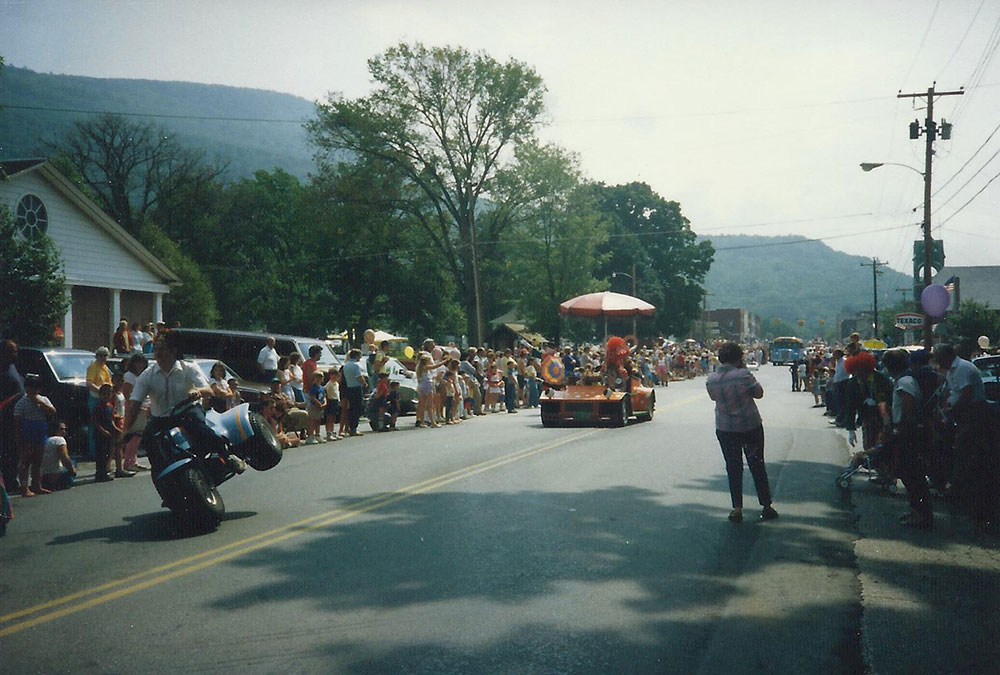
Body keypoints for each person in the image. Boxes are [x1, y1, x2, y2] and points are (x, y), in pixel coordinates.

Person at [122, 331, 245, 475]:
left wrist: (198, 391)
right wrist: (125, 430)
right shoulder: (147, 375)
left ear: (173, 350)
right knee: (150, 440)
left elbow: (209, 390)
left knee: (199, 428)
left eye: (162, 349)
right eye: (155, 349)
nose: (157, 353)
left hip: (187, 411)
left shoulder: (189, 368)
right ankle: (160, 476)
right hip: (161, 418)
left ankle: (228, 455)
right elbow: (134, 404)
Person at [705, 342, 778, 524]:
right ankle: (766, 506)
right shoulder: (744, 375)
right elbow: (759, 393)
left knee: (733, 466)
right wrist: (743, 369)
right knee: (757, 464)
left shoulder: (711, 379)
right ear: (739, 358)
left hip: (725, 428)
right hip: (750, 426)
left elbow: (714, 397)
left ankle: (737, 508)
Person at [933, 343, 996, 530]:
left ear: (946, 356)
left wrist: (951, 412)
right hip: (959, 413)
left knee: (963, 448)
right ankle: (953, 483)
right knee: (951, 445)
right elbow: (951, 392)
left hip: (973, 412)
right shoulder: (951, 371)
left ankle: (960, 490)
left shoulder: (963, 368)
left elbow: (966, 394)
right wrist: (943, 409)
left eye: (939, 357)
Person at [881, 349, 933, 528]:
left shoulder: (905, 381)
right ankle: (916, 510)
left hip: (908, 433)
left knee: (912, 474)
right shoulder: (904, 380)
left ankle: (921, 514)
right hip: (906, 431)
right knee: (909, 474)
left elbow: (908, 406)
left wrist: (900, 427)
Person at [13, 374, 57, 496]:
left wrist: (40, 402)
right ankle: (24, 487)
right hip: (27, 433)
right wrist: (19, 438)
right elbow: (16, 420)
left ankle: (37, 485)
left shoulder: (43, 399)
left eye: (36, 388)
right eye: (30, 388)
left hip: (40, 432)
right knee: (25, 462)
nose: (33, 391)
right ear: (26, 388)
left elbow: (52, 411)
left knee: (38, 461)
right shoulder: (22, 402)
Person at [0, 339, 25, 491]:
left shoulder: (12, 367)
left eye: (16, 350)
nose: (15, 354)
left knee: (14, 450)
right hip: (5, 419)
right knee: (7, 450)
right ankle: (8, 482)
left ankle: (11, 479)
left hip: (17, 417)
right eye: (11, 351)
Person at [86, 347, 113, 458]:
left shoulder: (105, 368)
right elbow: (89, 383)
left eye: (105, 355)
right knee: (95, 425)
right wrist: (101, 392)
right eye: (100, 355)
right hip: (96, 399)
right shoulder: (93, 367)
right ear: (97, 356)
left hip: (105, 400)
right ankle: (93, 453)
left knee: (105, 424)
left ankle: (104, 452)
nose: (103, 357)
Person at [92, 383, 119, 483]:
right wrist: (103, 431)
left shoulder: (110, 407)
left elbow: (111, 420)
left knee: (107, 454)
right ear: (100, 395)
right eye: (104, 394)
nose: (106, 396)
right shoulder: (98, 407)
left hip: (109, 434)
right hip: (100, 435)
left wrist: (116, 429)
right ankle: (99, 474)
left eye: (108, 394)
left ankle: (105, 472)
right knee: (100, 455)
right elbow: (96, 422)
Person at [40, 421, 76, 491]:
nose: (64, 431)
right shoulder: (60, 440)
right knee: (73, 461)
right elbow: (65, 459)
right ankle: (66, 482)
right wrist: (72, 470)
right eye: (61, 429)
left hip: (43, 478)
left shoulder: (46, 440)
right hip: (56, 477)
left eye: (65, 429)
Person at [341, 348, 368, 436]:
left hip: (349, 388)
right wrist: (364, 383)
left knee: (351, 408)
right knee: (357, 409)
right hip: (356, 388)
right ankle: (354, 428)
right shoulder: (356, 365)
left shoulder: (346, 365)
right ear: (356, 356)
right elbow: (359, 377)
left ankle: (350, 427)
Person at [304, 371, 326, 444]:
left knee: (318, 421)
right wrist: (319, 404)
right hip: (314, 406)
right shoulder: (313, 387)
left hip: (320, 406)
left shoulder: (322, 388)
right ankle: (310, 436)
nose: (318, 379)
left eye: (320, 378)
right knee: (312, 420)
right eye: (317, 378)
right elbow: (313, 397)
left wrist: (324, 403)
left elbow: (324, 396)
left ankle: (317, 434)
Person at [324, 369, 342, 441]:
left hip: (336, 401)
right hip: (330, 401)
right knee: (329, 418)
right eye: (333, 375)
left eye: (336, 375)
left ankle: (332, 431)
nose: (335, 377)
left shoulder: (336, 384)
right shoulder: (329, 384)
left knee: (334, 418)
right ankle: (328, 432)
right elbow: (326, 393)